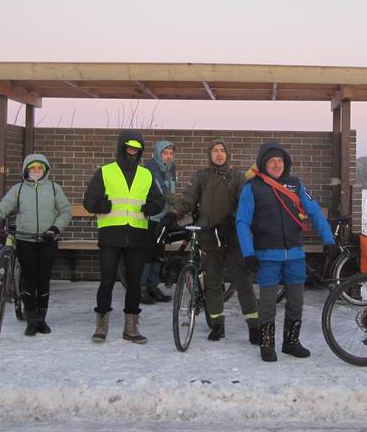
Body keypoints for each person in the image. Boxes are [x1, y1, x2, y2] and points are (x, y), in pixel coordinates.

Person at [236, 142, 335, 363]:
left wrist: (328, 240)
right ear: (263, 163)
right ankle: (267, 344)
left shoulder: (295, 185)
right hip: (266, 256)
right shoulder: (252, 188)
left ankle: (291, 342)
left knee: (296, 302)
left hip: (295, 255)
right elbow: (242, 222)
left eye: (280, 160)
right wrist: (248, 253)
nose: (277, 164)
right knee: (268, 303)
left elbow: (315, 212)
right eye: (272, 161)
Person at [172, 139, 259, 343]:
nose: (219, 154)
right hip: (209, 237)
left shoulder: (238, 177)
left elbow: (245, 203)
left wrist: (230, 222)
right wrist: (174, 214)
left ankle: (254, 327)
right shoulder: (202, 176)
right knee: (212, 283)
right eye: (215, 151)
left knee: (243, 283)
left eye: (222, 151)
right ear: (209, 155)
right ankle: (218, 325)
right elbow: (188, 199)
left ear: (227, 154)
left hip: (233, 237)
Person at [83, 130, 164, 344]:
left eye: (137, 149)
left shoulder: (146, 174)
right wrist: (101, 204)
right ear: (121, 148)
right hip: (111, 235)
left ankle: (131, 327)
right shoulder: (106, 171)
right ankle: (101, 326)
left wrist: (151, 207)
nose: (133, 152)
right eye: (129, 148)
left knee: (135, 283)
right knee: (107, 280)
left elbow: (159, 201)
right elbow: (89, 201)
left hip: (137, 236)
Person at [0, 154, 71, 337]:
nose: (36, 171)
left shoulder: (53, 188)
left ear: (45, 170)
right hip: (25, 240)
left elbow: (65, 211)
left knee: (43, 280)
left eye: (39, 168)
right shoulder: (18, 190)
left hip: (48, 240)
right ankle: (31, 319)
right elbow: (2, 209)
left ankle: (42, 319)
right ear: (26, 170)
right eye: (32, 168)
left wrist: (55, 229)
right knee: (29, 280)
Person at [140, 140, 177, 304]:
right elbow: (163, 191)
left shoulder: (171, 169)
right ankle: (142, 288)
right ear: (158, 153)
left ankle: (154, 286)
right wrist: (182, 203)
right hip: (152, 217)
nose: (168, 156)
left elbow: (171, 192)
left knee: (158, 252)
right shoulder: (150, 168)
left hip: (164, 216)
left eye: (170, 153)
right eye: (165, 153)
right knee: (148, 253)